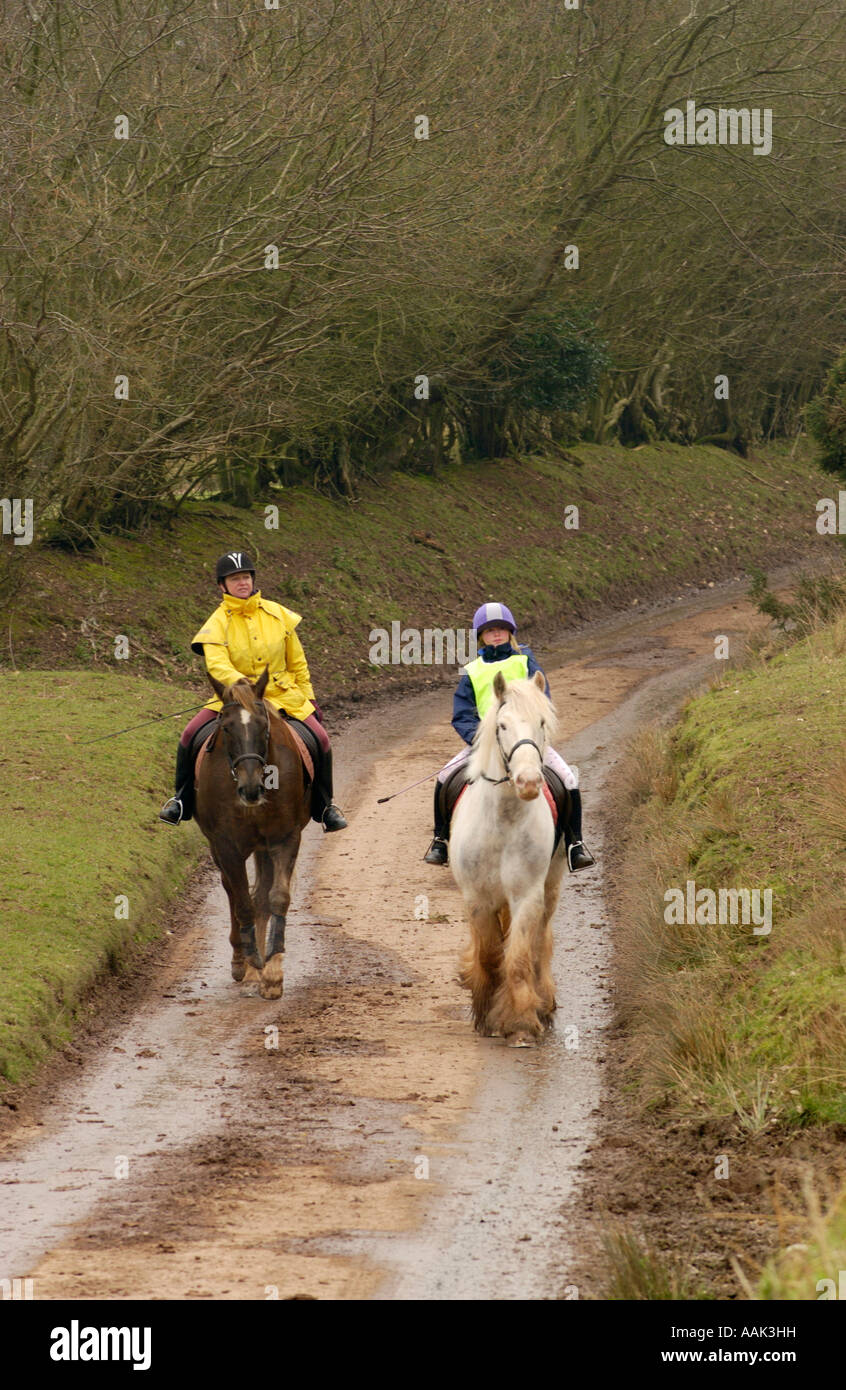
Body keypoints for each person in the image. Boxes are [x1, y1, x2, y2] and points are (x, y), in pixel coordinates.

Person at [159, 550, 347, 831]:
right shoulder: (216, 623)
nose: (242, 583)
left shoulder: (278, 614)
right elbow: (217, 666)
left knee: (321, 739)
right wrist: (245, 688)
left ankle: (325, 805)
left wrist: (309, 697)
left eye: (245, 577)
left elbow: (297, 661)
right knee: (188, 735)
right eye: (235, 579)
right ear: (223, 586)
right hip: (234, 697)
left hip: (283, 695)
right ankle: (181, 800)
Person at [423, 601, 594, 871]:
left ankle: (575, 844)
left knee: (568, 779)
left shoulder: (524, 659)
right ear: (481, 635)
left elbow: (541, 697)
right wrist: (479, 739)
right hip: (487, 743)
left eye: (501, 629)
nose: (496, 634)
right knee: (444, 777)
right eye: (490, 630)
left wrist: (533, 731)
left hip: (526, 741)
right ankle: (440, 840)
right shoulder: (473, 670)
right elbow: (463, 713)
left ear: (510, 632)